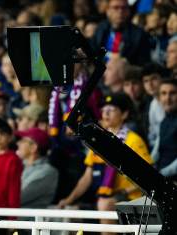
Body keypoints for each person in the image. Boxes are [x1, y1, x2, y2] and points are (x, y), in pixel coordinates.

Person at [57, 93, 152, 235]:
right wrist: (68, 200)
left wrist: (124, 192)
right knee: (72, 211)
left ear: (124, 114)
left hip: (132, 197)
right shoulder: (99, 141)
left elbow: (148, 175)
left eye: (111, 110)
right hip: (105, 196)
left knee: (105, 203)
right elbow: (87, 177)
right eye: (104, 109)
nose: (106, 113)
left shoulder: (134, 140)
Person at [16, 128, 58, 208]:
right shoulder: (19, 166)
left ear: (33, 148)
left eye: (23, 141)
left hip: (25, 220)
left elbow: (17, 197)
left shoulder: (47, 171)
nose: (18, 143)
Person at [152, 79, 177, 181]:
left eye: (173, 93)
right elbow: (156, 152)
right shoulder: (164, 121)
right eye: (164, 93)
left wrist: (160, 174)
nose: (167, 98)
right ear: (159, 98)